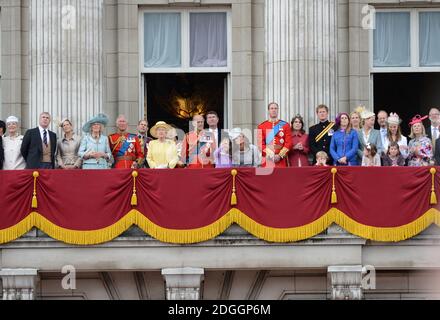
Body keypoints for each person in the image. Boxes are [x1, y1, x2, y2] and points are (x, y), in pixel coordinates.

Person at [257, 102, 292, 168]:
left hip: (281, 160)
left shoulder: (285, 125)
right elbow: (260, 144)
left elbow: (288, 143)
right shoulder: (261, 126)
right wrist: (271, 155)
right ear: (268, 110)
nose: (274, 110)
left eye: (275, 108)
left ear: (278, 110)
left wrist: (280, 155)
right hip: (267, 159)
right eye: (271, 108)